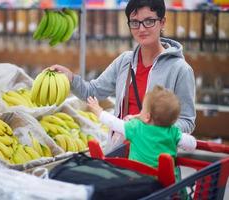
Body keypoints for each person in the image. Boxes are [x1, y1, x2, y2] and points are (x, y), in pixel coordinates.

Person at [50, 0, 196, 150]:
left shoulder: (180, 69)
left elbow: (187, 122)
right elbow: (92, 92)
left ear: (162, 22)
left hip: (153, 156)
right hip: (119, 153)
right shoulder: (124, 62)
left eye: (149, 21)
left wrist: (152, 128)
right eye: (135, 22)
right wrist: (70, 78)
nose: (141, 28)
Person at [86, 85, 197, 179]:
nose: (140, 112)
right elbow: (192, 144)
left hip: (139, 181)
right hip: (167, 185)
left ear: (147, 117)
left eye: (142, 109)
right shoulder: (173, 133)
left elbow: (114, 123)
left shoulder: (136, 128)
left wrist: (99, 111)